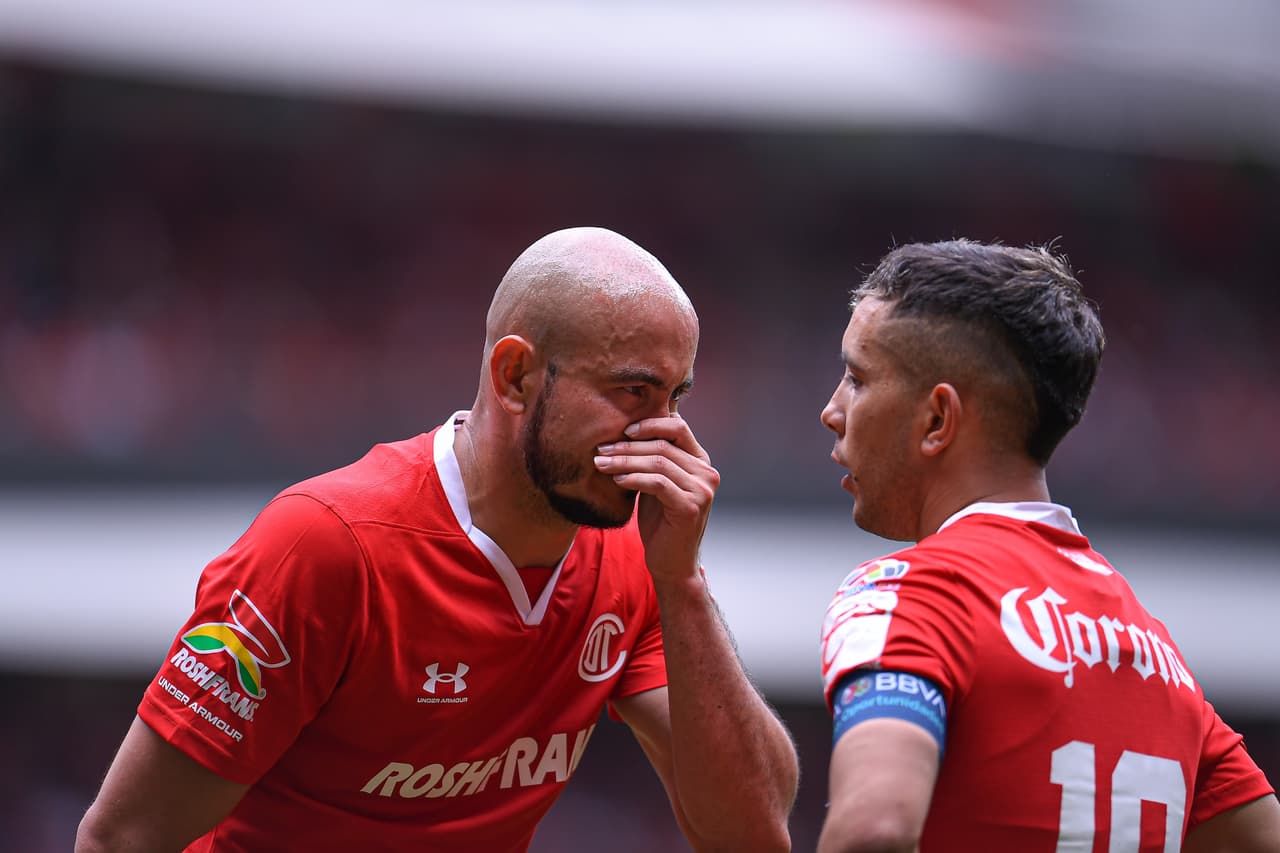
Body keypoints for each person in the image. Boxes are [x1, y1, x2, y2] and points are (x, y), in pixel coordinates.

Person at [76, 226, 799, 852]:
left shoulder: (635, 563)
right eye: (632, 393)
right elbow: (122, 835)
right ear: (514, 375)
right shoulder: (326, 547)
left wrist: (684, 585)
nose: (664, 434)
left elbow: (752, 834)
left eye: (676, 397)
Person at [815, 239, 1280, 852]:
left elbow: (872, 830)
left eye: (857, 376)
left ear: (937, 421)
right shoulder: (1156, 655)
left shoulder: (911, 594)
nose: (832, 409)